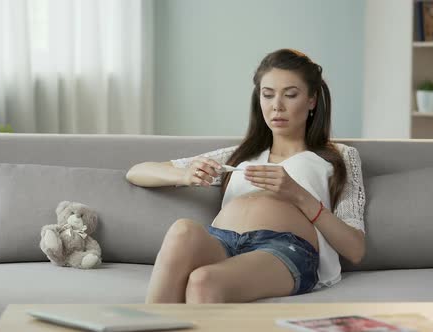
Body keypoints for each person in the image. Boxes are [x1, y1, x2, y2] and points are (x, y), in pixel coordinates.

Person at [126, 48, 366, 304]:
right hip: (221, 241)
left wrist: (297, 194)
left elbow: (355, 249)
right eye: (268, 95)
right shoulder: (241, 155)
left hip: (283, 249)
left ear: (312, 100)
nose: (277, 106)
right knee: (182, 230)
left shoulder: (338, 157)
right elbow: (136, 172)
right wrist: (186, 174)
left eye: (291, 95)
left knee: (203, 281)